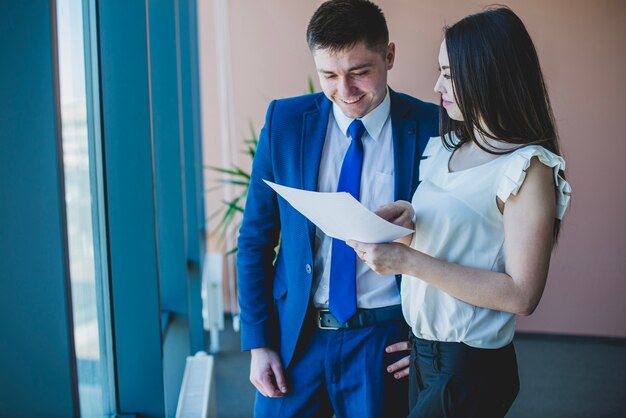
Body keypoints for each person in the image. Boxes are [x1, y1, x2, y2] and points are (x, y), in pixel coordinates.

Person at [348, 6, 572, 418]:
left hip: (469, 366)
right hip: (425, 355)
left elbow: (522, 295)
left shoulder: (527, 166)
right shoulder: (447, 147)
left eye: (450, 74)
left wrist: (407, 261)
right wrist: (407, 219)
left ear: (489, 74)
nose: (437, 85)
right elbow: (459, 238)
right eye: (441, 71)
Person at [236, 0, 438, 416]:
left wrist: (433, 345)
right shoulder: (284, 121)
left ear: (389, 56)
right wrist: (260, 342)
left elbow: (458, 247)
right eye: (329, 75)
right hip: (297, 337)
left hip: (386, 342)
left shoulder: (434, 129)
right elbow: (255, 239)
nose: (344, 91)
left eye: (360, 72)